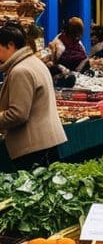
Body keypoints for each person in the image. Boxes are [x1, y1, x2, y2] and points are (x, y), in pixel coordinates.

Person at [0, 23, 67, 170]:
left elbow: (18, 114)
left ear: (10, 45)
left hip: (32, 147)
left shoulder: (20, 70)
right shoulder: (34, 62)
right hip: (45, 143)